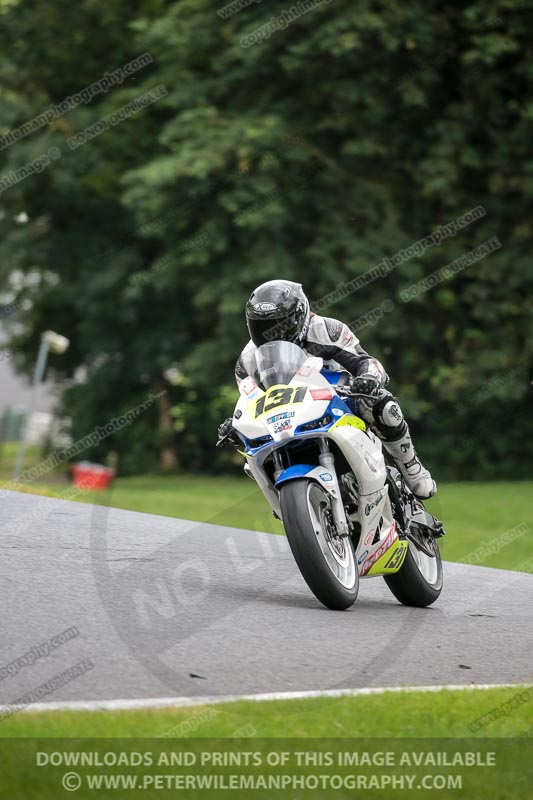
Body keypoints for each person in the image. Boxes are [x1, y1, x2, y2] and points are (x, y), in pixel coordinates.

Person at [218, 279, 436, 498]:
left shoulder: (326, 330)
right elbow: (249, 399)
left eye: (279, 324)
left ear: (299, 317)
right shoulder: (247, 359)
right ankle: (285, 501)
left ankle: (412, 467)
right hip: (283, 413)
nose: (271, 332)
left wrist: (368, 378)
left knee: (382, 405)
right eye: (260, 326)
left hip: (336, 396)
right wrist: (237, 427)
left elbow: (365, 361)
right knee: (249, 458)